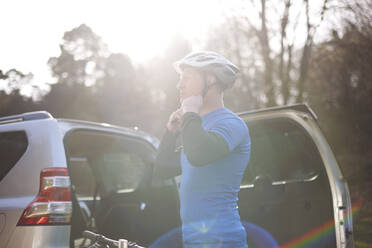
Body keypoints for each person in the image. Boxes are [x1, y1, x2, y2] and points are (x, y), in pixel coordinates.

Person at [154, 51, 251, 248]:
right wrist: (170, 133)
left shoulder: (231, 124)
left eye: (187, 78)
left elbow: (199, 154)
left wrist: (190, 111)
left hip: (224, 241)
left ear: (211, 79)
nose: (179, 85)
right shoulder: (196, 127)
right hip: (193, 241)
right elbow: (162, 170)